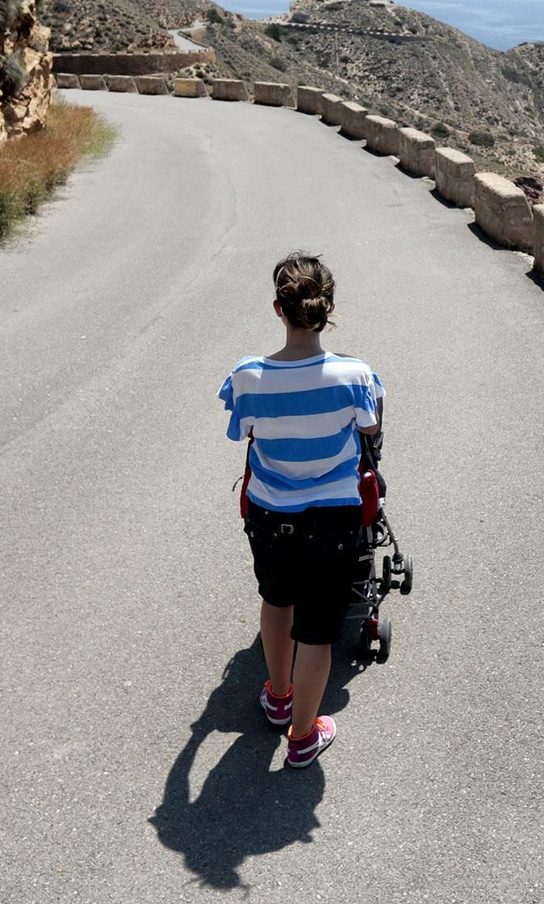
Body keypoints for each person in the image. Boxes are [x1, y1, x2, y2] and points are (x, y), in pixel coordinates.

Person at [220, 252, 384, 769]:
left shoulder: (247, 376)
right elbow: (370, 429)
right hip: (334, 517)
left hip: (270, 513)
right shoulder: (354, 373)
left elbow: (243, 433)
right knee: (317, 631)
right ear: (328, 309)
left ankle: (278, 696)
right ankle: (302, 737)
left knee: (276, 600)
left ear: (278, 309)